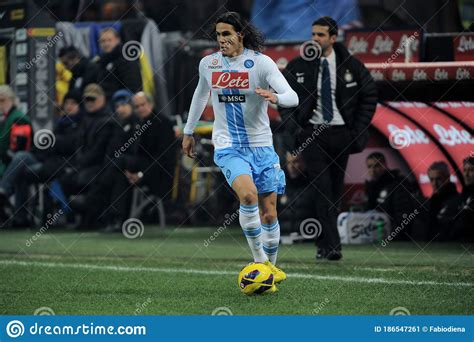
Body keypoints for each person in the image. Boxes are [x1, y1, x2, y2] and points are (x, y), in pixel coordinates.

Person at [182, 12, 298, 291]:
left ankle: (270, 267)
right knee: (248, 195)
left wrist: (276, 98)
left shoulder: (260, 63)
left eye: (227, 34)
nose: (221, 40)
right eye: (218, 35)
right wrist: (188, 131)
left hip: (261, 146)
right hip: (228, 145)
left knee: (269, 213)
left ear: (240, 35)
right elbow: (200, 95)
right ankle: (258, 262)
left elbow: (292, 97)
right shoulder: (208, 64)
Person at [280, 16, 377, 260]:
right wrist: (296, 130)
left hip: (341, 134)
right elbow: (283, 99)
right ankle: (334, 246)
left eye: (321, 35)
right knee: (322, 189)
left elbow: (370, 94)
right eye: (313, 34)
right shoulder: (298, 65)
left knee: (334, 191)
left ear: (333, 38)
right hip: (312, 134)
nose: (315, 39)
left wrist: (356, 129)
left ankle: (324, 244)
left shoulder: (351, 65)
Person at [0, 90, 84, 226]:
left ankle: (4, 191)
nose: (69, 106)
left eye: (73, 103)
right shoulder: (61, 124)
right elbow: (45, 147)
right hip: (48, 162)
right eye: (67, 103)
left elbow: (69, 145)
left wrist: (53, 142)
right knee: (22, 162)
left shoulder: (80, 124)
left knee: (21, 160)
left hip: (61, 166)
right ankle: (20, 217)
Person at [365, 152, 419, 239]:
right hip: (376, 234)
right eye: (370, 167)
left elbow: (403, 215)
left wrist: (393, 235)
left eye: (377, 166)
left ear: (385, 165)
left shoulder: (397, 183)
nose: (373, 170)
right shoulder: (371, 186)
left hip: (395, 236)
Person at [95, 27, 142, 100]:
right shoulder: (100, 62)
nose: (106, 44)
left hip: (121, 104)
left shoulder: (127, 60)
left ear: (117, 40)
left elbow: (133, 88)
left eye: (109, 40)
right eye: (103, 41)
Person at [426, 161, 461, 241]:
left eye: (438, 179)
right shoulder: (432, 201)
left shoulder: (456, 201)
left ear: (447, 178)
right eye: (431, 180)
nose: (434, 183)